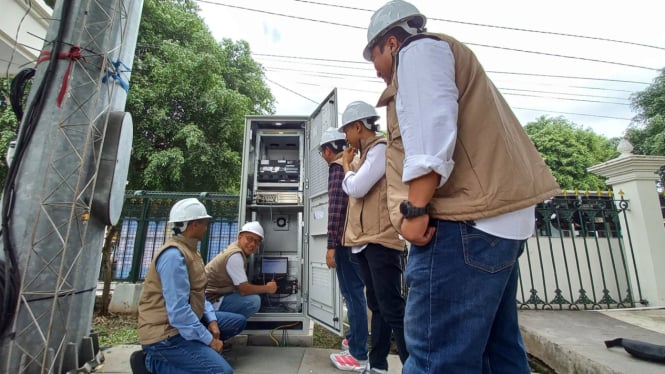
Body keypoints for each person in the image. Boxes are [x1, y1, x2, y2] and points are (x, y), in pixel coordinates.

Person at [362, 1, 561, 372]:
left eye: (371, 56)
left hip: (465, 227)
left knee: (437, 360)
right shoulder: (447, 54)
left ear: (390, 43)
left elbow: (431, 132)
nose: (374, 70)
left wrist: (416, 210)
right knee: (497, 354)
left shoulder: (417, 51)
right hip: (493, 225)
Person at [138, 198, 246, 374]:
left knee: (236, 322)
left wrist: (212, 321)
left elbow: (198, 294)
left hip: (185, 324)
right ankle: (153, 363)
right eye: (204, 223)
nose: (206, 227)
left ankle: (195, 353)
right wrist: (209, 341)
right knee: (222, 372)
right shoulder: (173, 256)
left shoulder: (191, 251)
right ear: (194, 225)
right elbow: (178, 312)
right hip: (166, 335)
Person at [338, 101, 407, 374]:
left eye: (347, 130)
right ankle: (377, 365)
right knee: (377, 306)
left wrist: (346, 166)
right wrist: (350, 162)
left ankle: (413, 366)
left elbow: (355, 186)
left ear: (358, 126)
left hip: (382, 240)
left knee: (391, 307)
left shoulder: (379, 150)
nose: (345, 136)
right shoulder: (366, 154)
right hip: (368, 240)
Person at [319, 128, 369, 371]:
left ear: (328, 150)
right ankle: (355, 340)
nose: (323, 157)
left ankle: (358, 353)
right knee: (356, 293)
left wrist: (331, 246)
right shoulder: (354, 162)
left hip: (345, 241)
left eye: (322, 152)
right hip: (358, 238)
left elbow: (337, 210)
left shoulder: (337, 167)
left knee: (353, 294)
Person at [205, 221, 277, 319]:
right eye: (249, 239)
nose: (253, 244)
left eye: (256, 241)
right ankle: (218, 322)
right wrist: (268, 288)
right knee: (253, 301)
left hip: (212, 297)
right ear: (239, 237)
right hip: (210, 301)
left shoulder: (235, 250)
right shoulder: (235, 256)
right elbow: (244, 290)